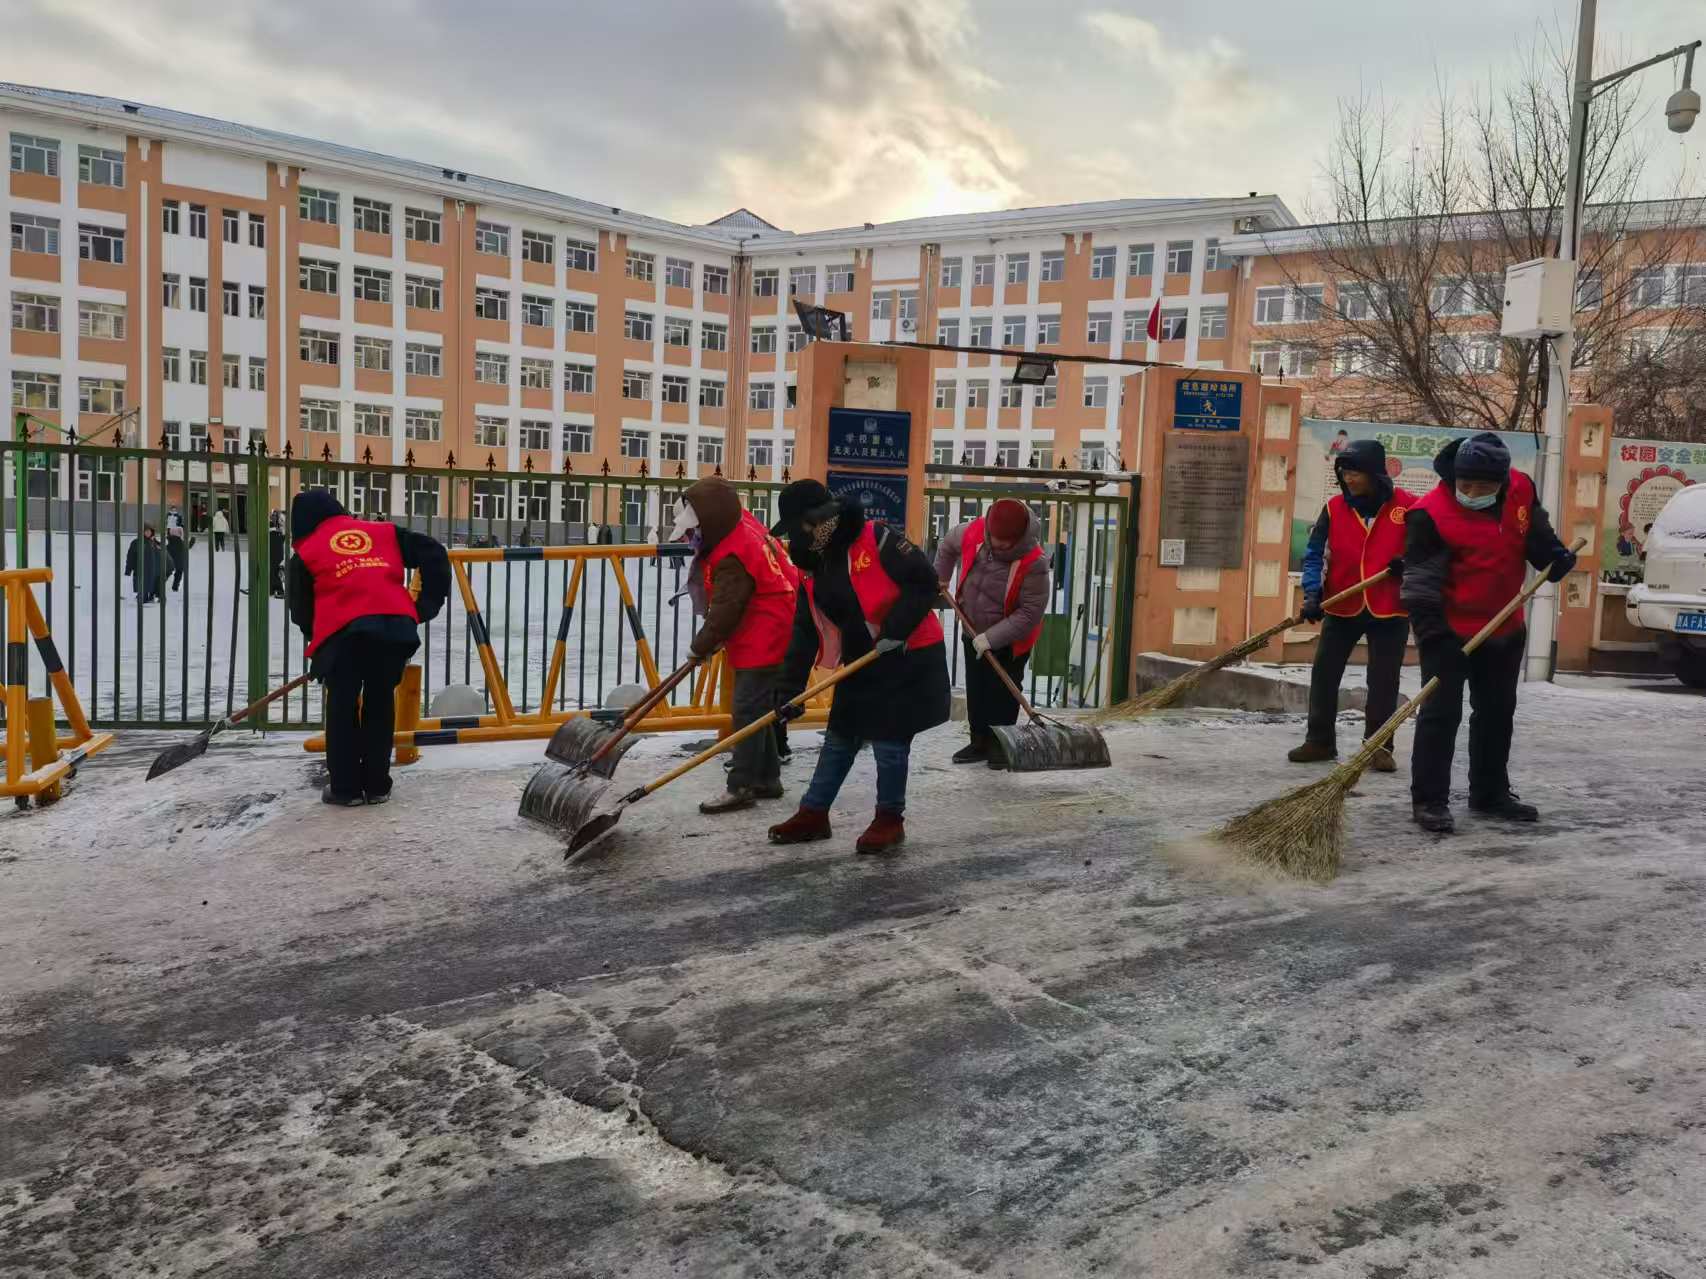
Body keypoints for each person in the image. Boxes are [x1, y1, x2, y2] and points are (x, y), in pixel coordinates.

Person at [1401, 432, 1576, 833]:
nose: (1473, 493)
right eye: (1465, 485)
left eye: (1484, 487)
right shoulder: (1430, 515)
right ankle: (1429, 800)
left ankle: (1489, 793)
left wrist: (1554, 558)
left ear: (1502, 482)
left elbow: (1535, 535)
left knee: (1496, 713)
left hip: (1504, 624)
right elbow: (1420, 587)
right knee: (1441, 714)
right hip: (1448, 629)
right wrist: (1436, 638)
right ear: (1454, 476)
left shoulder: (1520, 489)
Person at [767, 480, 951, 855]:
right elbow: (805, 631)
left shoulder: (876, 538)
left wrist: (895, 630)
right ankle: (813, 813)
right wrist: (790, 691)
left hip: (906, 654)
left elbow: (924, 583)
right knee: (840, 736)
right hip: (861, 660)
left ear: (816, 519)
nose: (795, 538)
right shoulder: (814, 564)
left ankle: (889, 819)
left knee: (889, 741)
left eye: (798, 528)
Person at [288, 490, 450, 807]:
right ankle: (377, 786)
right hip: (392, 630)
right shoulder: (383, 532)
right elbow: (433, 551)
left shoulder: (307, 551)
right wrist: (424, 605)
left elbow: (301, 610)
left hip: (343, 634)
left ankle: (345, 789)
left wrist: (319, 642)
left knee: (342, 705)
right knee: (379, 701)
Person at [671, 478, 800, 814]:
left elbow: (726, 610)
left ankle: (740, 785)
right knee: (756, 707)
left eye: (694, 530)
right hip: (770, 622)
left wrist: (700, 646)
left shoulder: (732, 554)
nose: (692, 538)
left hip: (765, 630)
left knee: (746, 708)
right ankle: (767, 778)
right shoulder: (740, 525)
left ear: (711, 520)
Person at [1289, 439, 1415, 771]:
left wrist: (1410, 562)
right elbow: (1314, 554)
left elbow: (1430, 548)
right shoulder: (1334, 508)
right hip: (1342, 604)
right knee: (1324, 674)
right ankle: (1319, 741)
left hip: (1389, 607)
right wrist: (1312, 594)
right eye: (1343, 472)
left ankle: (1379, 747)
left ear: (1375, 473)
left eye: (1355, 472)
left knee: (1384, 681)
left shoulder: (1408, 506)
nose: (1348, 478)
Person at [933, 497, 1050, 764]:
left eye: (1003, 543)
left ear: (1018, 537)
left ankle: (1001, 745)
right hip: (971, 627)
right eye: (993, 539)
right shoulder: (973, 531)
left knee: (1003, 693)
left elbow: (1030, 613)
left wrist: (992, 638)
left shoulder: (1034, 562)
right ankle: (978, 742)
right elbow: (947, 545)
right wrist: (941, 576)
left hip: (1010, 638)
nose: (996, 546)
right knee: (977, 688)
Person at [125, 524, 165, 603]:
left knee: (150, 584)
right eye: (146, 531)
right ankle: (142, 597)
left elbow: (160, 553)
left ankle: (148, 597)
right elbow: (130, 556)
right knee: (141, 584)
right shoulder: (136, 542)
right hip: (140, 568)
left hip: (152, 569)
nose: (148, 533)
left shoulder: (153, 542)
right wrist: (128, 569)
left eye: (149, 531)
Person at [268, 512, 288, 599]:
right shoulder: (272, 525)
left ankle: (276, 589)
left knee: (276, 567)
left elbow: (284, 533)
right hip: (275, 546)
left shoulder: (280, 523)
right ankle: (272, 588)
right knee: (273, 567)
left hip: (277, 547)